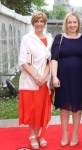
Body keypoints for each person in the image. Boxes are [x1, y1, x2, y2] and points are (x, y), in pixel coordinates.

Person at [51, 12, 82, 147]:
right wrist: (54, 76)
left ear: (78, 23)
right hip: (63, 78)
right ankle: (65, 133)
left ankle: (75, 133)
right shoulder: (59, 38)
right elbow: (54, 58)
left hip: (79, 78)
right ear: (65, 24)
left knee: (77, 107)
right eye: (69, 22)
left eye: (75, 22)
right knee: (64, 107)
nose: (72, 25)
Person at [18, 11, 53, 149]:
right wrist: (36, 77)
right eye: (37, 21)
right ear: (33, 23)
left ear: (44, 23)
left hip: (45, 80)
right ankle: (32, 135)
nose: (39, 24)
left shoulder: (49, 39)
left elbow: (52, 59)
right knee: (33, 109)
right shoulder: (27, 38)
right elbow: (23, 61)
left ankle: (41, 134)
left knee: (43, 109)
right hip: (31, 80)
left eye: (42, 21)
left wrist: (44, 76)